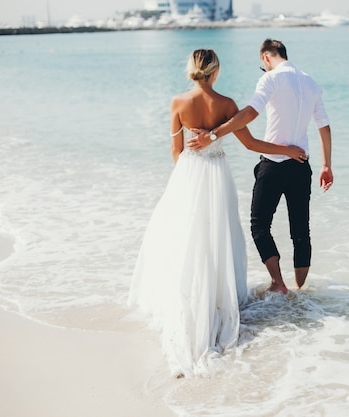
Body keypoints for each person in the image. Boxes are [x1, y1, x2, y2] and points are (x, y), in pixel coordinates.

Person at [128, 49, 306, 378]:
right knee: (218, 237)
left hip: (188, 175)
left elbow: (175, 149)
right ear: (216, 71)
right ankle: (218, 299)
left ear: (193, 70)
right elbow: (252, 145)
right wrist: (288, 150)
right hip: (217, 176)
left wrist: (183, 181)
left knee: (188, 238)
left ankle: (190, 299)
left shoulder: (177, 102)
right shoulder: (226, 105)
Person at [188, 39, 333, 294]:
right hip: (302, 164)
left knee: (259, 225)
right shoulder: (311, 83)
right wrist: (327, 165)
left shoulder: (271, 78)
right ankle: (299, 293)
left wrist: (212, 135)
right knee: (301, 230)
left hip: (274, 166)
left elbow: (251, 113)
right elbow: (323, 125)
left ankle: (278, 284)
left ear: (266, 57)